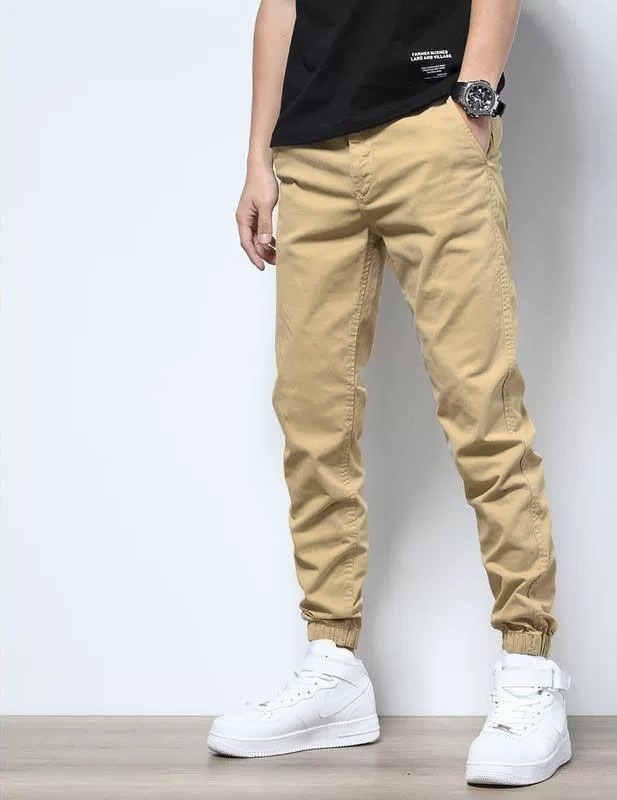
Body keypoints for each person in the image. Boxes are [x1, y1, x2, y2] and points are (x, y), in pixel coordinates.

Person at [207, 0, 571, 787]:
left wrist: (473, 103)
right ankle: (332, 664)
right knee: (311, 414)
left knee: (482, 404)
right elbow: (282, 6)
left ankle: (528, 668)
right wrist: (258, 159)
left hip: (430, 131)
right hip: (311, 151)